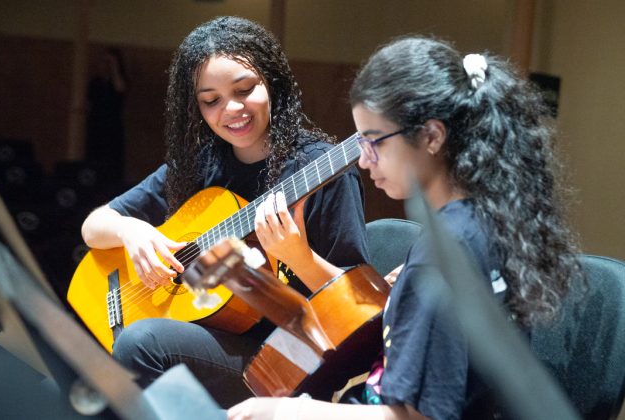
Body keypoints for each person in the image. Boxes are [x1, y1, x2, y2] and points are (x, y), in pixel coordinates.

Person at [229, 36, 583, 419]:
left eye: (373, 141)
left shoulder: (445, 255)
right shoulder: (485, 223)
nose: (364, 162)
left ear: (432, 136)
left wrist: (291, 413)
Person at [80, 16, 369, 408]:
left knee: (139, 344)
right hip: (207, 334)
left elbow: (357, 307)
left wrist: (299, 258)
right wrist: (132, 232)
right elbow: (94, 225)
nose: (231, 109)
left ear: (271, 82)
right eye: (210, 100)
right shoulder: (202, 164)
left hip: (286, 361)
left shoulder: (322, 171)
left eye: (245, 89)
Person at [85, 47, 128, 181]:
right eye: (104, 62)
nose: (105, 65)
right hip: (95, 124)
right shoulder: (95, 82)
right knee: (93, 159)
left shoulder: (119, 80)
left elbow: (121, 89)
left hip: (113, 126)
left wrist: (114, 67)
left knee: (112, 159)